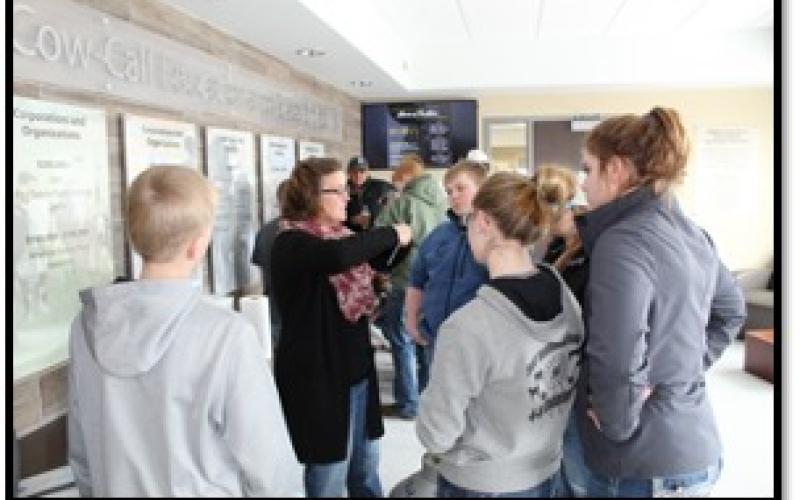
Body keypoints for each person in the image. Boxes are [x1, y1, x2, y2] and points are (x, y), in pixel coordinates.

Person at [67, 166, 302, 497]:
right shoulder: (226, 336)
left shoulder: (87, 326)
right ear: (197, 246)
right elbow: (271, 466)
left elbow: (82, 453)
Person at [574, 107, 746, 497]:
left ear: (615, 169)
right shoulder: (691, 232)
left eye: (588, 169)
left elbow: (617, 355)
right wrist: (684, 366)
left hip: (641, 463)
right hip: (693, 448)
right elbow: (731, 311)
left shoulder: (621, 242)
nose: (582, 184)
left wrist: (617, 421)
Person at [416, 169, 585, 497]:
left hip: (483, 483)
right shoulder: (563, 291)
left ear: (482, 221)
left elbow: (436, 435)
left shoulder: (468, 327)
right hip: (550, 472)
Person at [270, 157, 413, 497]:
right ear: (311, 197)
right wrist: (391, 232)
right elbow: (335, 257)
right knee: (329, 475)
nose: (348, 197)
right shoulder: (291, 243)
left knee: (365, 469)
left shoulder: (344, 235)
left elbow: (376, 258)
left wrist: (401, 244)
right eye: (339, 190)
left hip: (357, 369)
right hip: (318, 375)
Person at [404, 160, 490, 391]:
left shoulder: (495, 235)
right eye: (449, 190)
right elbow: (417, 279)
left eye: (461, 188)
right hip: (438, 338)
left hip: (478, 344)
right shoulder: (439, 235)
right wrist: (412, 321)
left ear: (482, 189)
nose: (454, 196)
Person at [374, 154, 448, 419]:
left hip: (405, 279)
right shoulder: (443, 202)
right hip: (435, 281)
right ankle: (428, 399)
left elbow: (379, 237)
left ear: (406, 178)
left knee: (400, 340)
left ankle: (408, 403)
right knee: (425, 339)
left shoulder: (402, 204)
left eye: (397, 181)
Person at [251, 180, 290, 352]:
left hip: (274, 306)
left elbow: (260, 265)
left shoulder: (265, 231)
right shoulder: (307, 233)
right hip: (299, 312)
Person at [345, 155, 397, 232]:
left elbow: (396, 195)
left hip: (375, 232)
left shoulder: (380, 186)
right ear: (349, 173)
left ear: (367, 172)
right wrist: (352, 220)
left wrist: (374, 217)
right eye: (354, 172)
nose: (358, 175)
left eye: (362, 171)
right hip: (351, 233)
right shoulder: (343, 189)